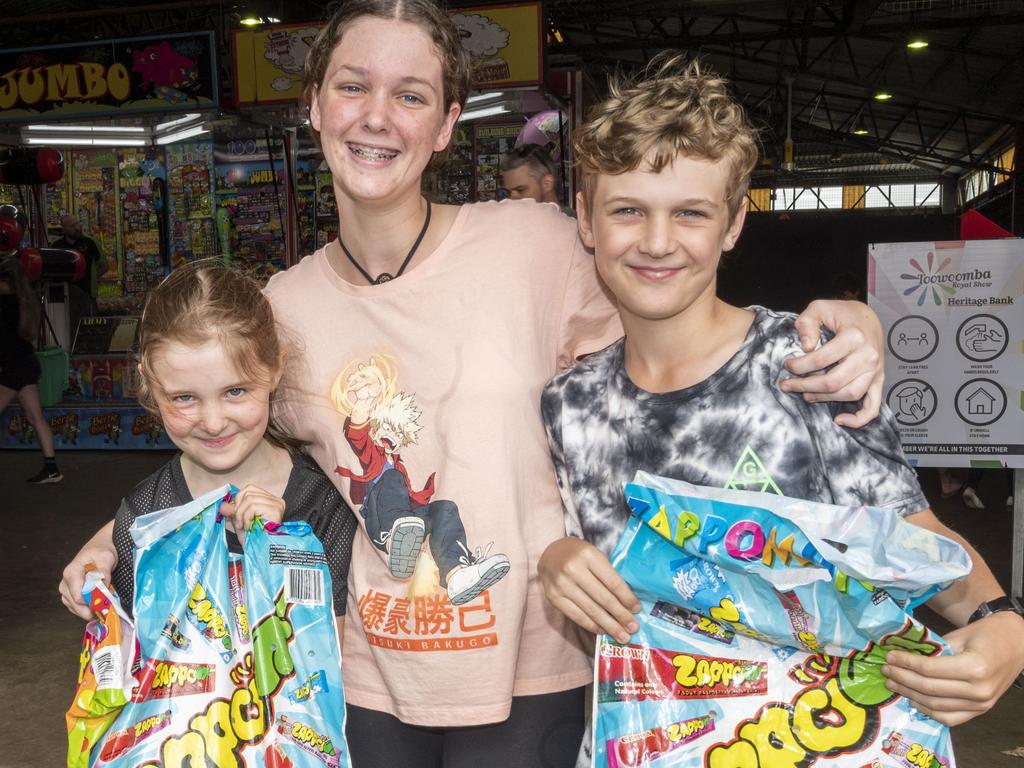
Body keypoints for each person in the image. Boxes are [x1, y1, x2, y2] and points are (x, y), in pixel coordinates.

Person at [61, 3, 888, 766]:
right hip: (358, 675)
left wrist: (850, 318)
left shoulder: (538, 245)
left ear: (448, 122)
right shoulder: (283, 307)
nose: (377, 116)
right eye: (353, 86)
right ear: (315, 104)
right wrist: (118, 528)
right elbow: (227, 443)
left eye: (411, 95)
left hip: (538, 668)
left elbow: (679, 320)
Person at [537, 57, 1024, 748]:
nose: (655, 241)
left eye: (690, 213)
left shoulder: (806, 364)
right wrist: (555, 555)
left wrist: (1002, 624)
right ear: (585, 218)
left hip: (817, 737)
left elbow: (911, 539)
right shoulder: (568, 401)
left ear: (734, 224)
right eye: (626, 210)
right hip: (647, 740)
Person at [58, 261, 358, 639]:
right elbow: (137, 666)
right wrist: (96, 585)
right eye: (184, 398)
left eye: (236, 391)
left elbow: (326, 660)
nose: (213, 422)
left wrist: (279, 551)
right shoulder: (144, 514)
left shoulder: (322, 504)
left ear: (275, 369)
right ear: (150, 383)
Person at [0, 256, 62, 483]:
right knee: (35, 416)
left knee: (35, 416)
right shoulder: (25, 298)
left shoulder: (5, 302)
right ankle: (52, 468)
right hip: (27, 362)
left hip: (15, 367)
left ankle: (52, 469)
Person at [51, 213, 107, 337]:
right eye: (72, 226)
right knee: (67, 329)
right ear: (64, 230)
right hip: (64, 295)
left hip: (87, 293)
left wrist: (93, 277)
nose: (77, 228)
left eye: (77, 223)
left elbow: (104, 265)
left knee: (90, 329)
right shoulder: (56, 246)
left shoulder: (90, 242)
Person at [500, 143, 575, 216]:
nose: (512, 199)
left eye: (520, 190)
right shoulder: (514, 223)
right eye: (509, 193)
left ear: (547, 184)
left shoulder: (578, 226)